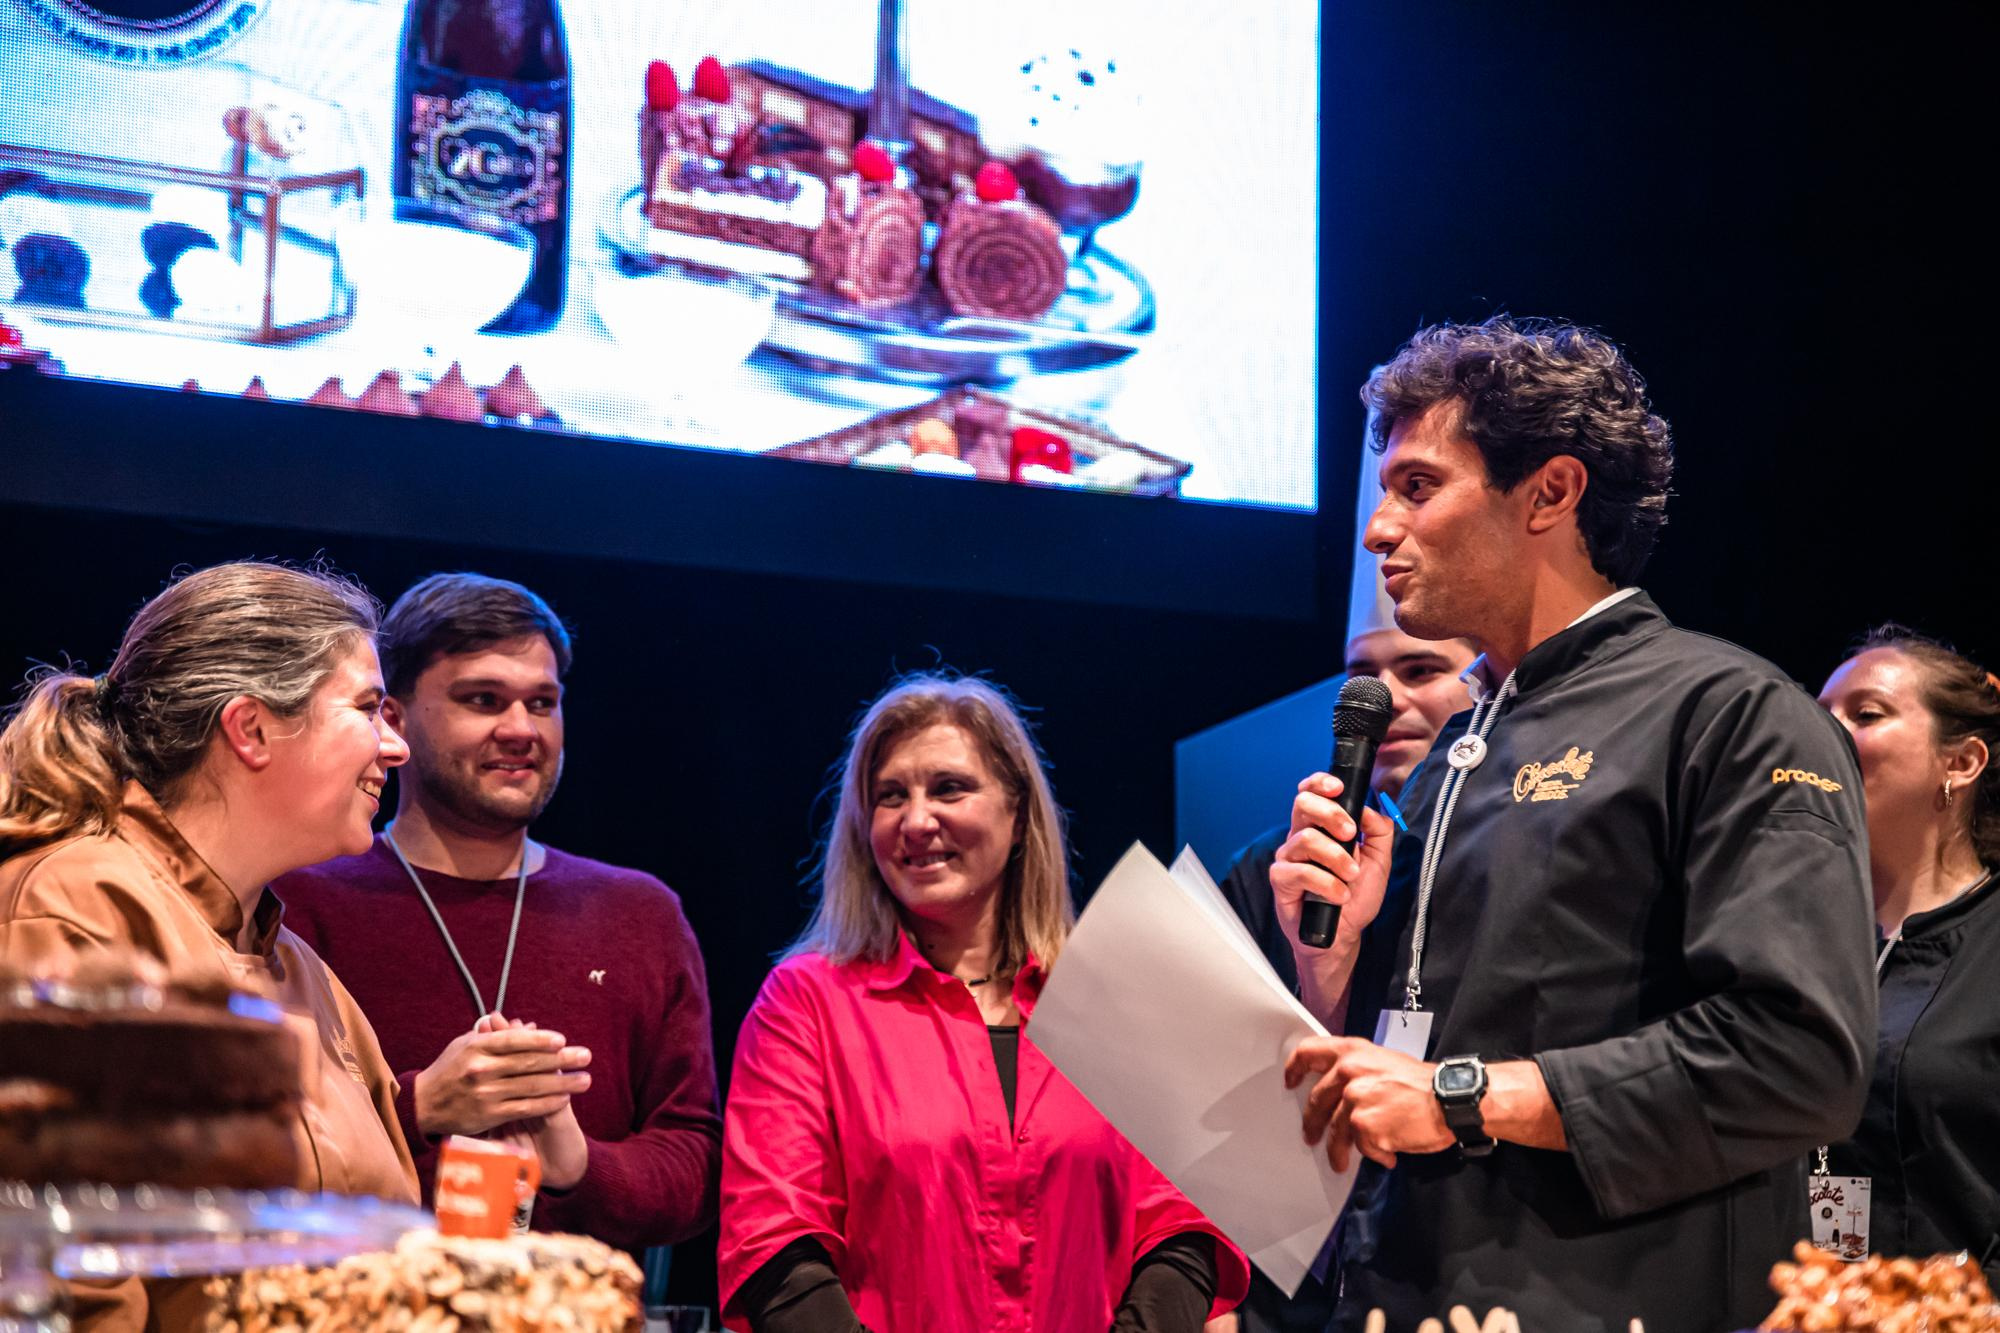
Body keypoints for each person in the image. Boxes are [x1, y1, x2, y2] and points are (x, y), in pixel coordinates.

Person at [1271, 317, 1878, 1331]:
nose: (1378, 528)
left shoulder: (1728, 711)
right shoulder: (1446, 764)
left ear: (1548, 492)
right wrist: (1326, 971)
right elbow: (1398, 1074)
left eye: (1416, 486)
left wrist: (1459, 1094)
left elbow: (1797, 1059)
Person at [718, 673, 1251, 1333]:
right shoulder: (806, 1003)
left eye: (949, 787)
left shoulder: (1115, 1000)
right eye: (890, 796)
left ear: (1019, 814)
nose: (916, 820)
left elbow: (1180, 1220)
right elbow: (773, 1239)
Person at [0, 561, 420, 1331]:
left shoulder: (308, 974)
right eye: (368, 707)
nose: (396, 747)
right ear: (251, 728)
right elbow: (62, 1290)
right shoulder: (74, 906)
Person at [277, 572, 720, 1250]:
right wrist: (420, 1108)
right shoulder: (302, 901)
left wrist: (577, 1164)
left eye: (542, 702)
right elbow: (258, 1148)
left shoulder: (641, 914)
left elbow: (695, 1164)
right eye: (483, 699)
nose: (521, 729)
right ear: (391, 719)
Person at [1216, 586, 1475, 1333]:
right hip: (1292, 1292)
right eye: (1364, 675)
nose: (1387, 698)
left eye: (1422, 670)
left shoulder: (1513, 868)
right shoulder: (1276, 874)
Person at [1818, 627, 2000, 1282]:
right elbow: (1832, 1165)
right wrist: (1842, 1285)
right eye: (1819, 717)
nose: (1825, 734)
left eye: (1865, 714)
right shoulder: (1806, 939)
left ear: (1962, 762)